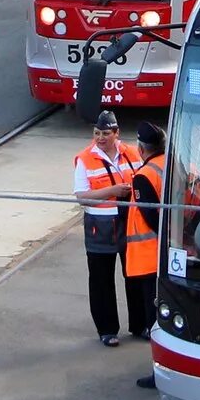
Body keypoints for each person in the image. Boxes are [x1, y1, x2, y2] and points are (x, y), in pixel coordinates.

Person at [72, 110, 141, 346]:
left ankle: (140, 324)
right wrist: (112, 192)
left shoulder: (132, 153)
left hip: (130, 224)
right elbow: (82, 197)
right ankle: (107, 330)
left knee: (135, 275)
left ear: (116, 133)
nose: (100, 138)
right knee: (101, 280)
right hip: (99, 227)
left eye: (105, 133)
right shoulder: (85, 159)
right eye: (97, 133)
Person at [127, 121, 167, 388]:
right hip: (166, 255)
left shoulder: (144, 175)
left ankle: (159, 373)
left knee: (155, 321)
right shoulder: (171, 164)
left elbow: (151, 216)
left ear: (142, 148)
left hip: (148, 257)